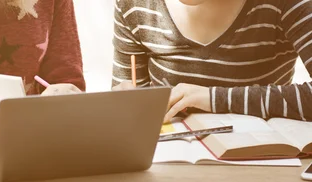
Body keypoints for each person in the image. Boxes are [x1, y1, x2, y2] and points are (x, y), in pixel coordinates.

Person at [112, 0, 312, 123]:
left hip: (262, 168)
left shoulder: (287, 3)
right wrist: (118, 106)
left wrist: (213, 99)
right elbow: (128, 106)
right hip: (169, 168)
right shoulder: (133, 5)